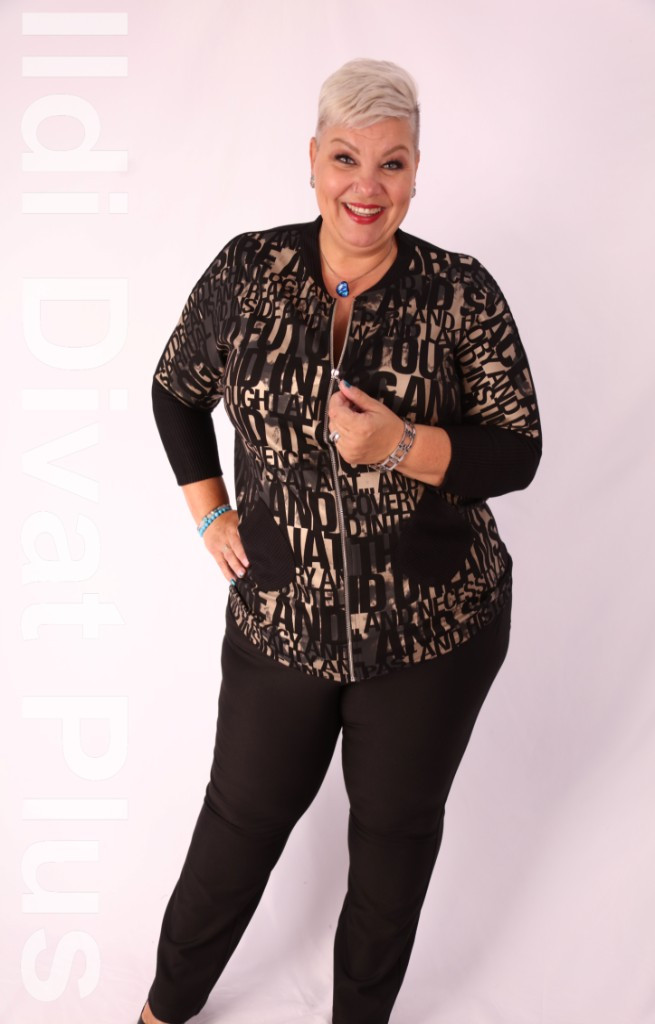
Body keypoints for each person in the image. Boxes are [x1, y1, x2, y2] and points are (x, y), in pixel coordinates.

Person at [138, 58, 542, 1024]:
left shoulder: (457, 293)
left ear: (415, 171)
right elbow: (175, 389)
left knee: (392, 841)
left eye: (391, 163)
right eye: (346, 159)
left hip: (431, 631)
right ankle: (161, 1011)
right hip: (281, 620)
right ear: (313, 160)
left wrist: (400, 444)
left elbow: (516, 450)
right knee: (238, 825)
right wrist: (210, 512)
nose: (367, 186)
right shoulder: (247, 271)